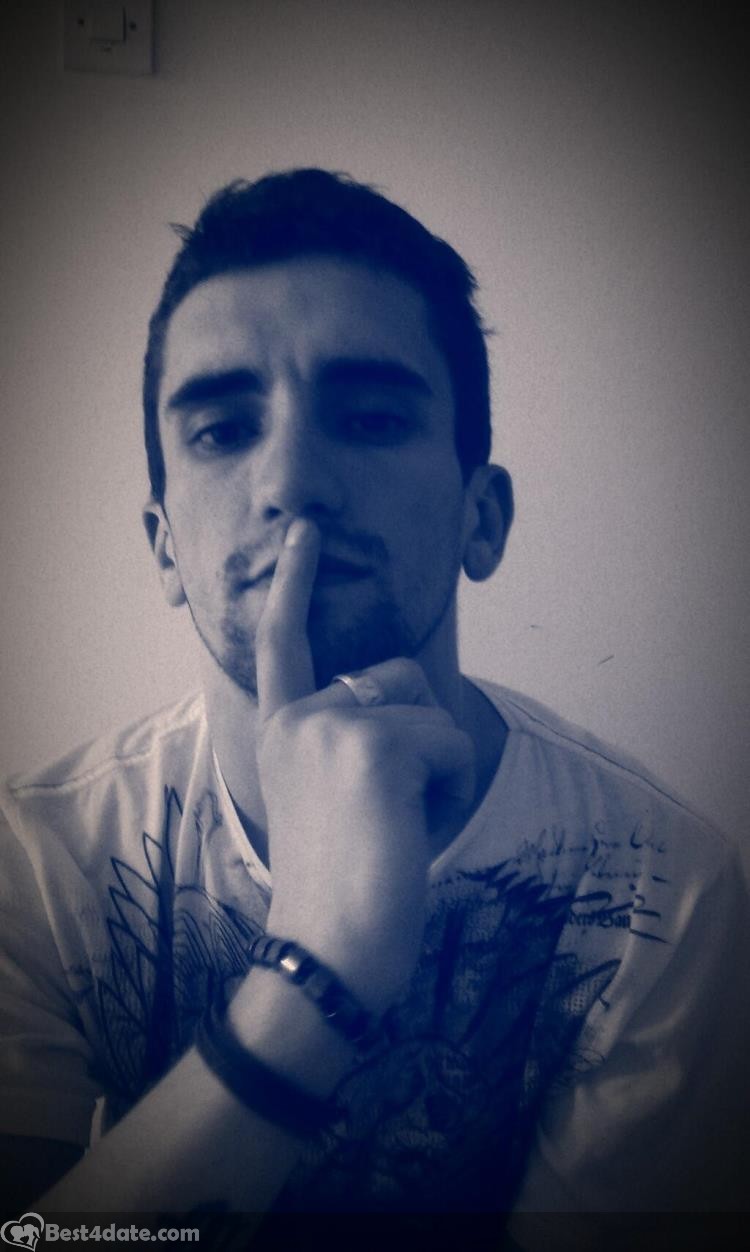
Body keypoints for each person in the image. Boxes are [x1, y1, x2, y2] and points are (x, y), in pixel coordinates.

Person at [0, 169, 747, 1247]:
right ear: (164, 547)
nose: (292, 479)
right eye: (222, 430)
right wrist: (315, 971)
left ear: (481, 519)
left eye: (372, 417)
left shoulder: (664, 891)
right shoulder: (34, 864)